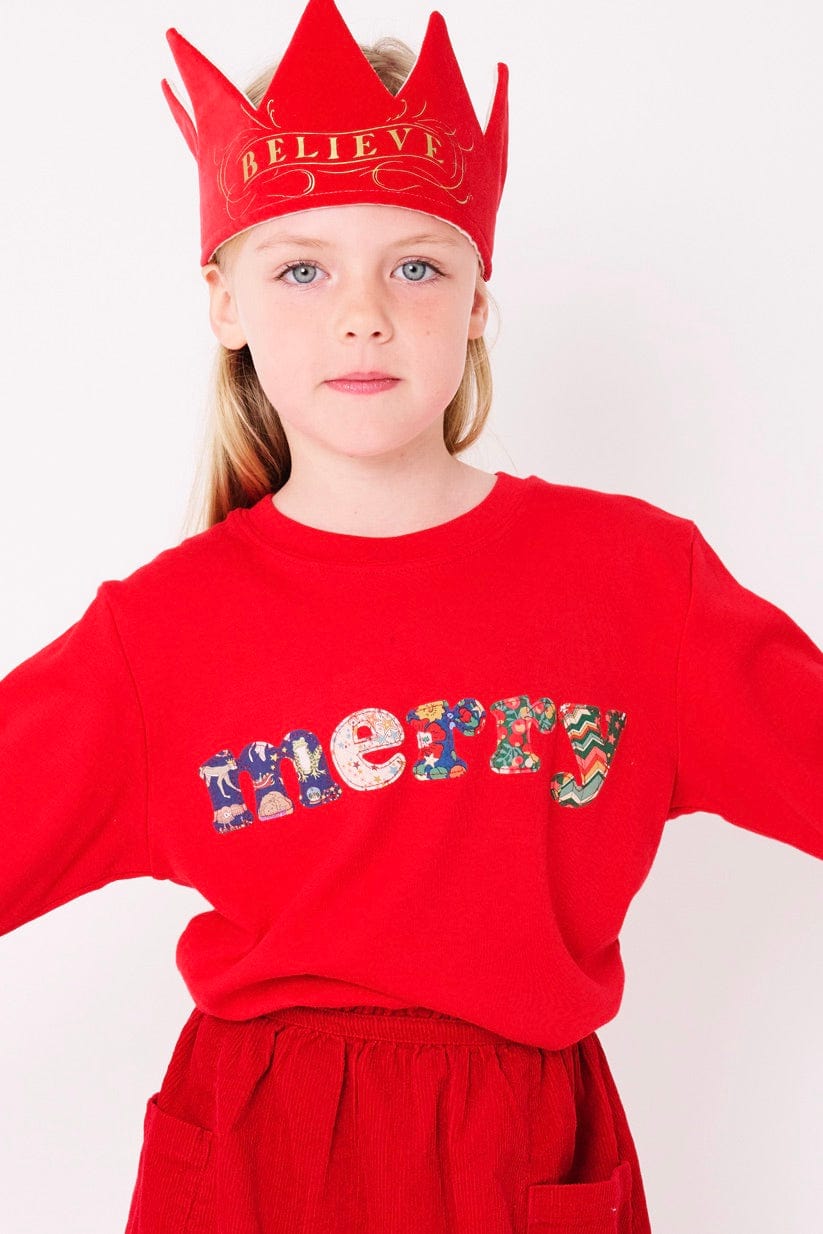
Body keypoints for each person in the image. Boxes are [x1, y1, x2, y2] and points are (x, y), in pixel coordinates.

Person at [1, 1, 820, 1231]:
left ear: (480, 299)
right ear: (223, 305)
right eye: (302, 267)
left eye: (416, 265)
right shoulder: (159, 634)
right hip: (256, 1151)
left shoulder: (640, 581)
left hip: (522, 1155)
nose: (363, 312)